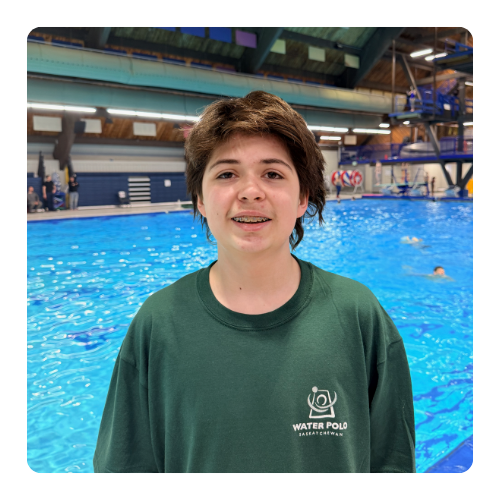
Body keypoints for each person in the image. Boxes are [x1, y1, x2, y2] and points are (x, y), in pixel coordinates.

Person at [93, 90, 416, 474]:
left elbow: (394, 461)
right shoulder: (158, 323)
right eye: (227, 174)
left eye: (272, 174)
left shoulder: (358, 315)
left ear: (303, 197)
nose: (250, 192)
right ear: (200, 198)